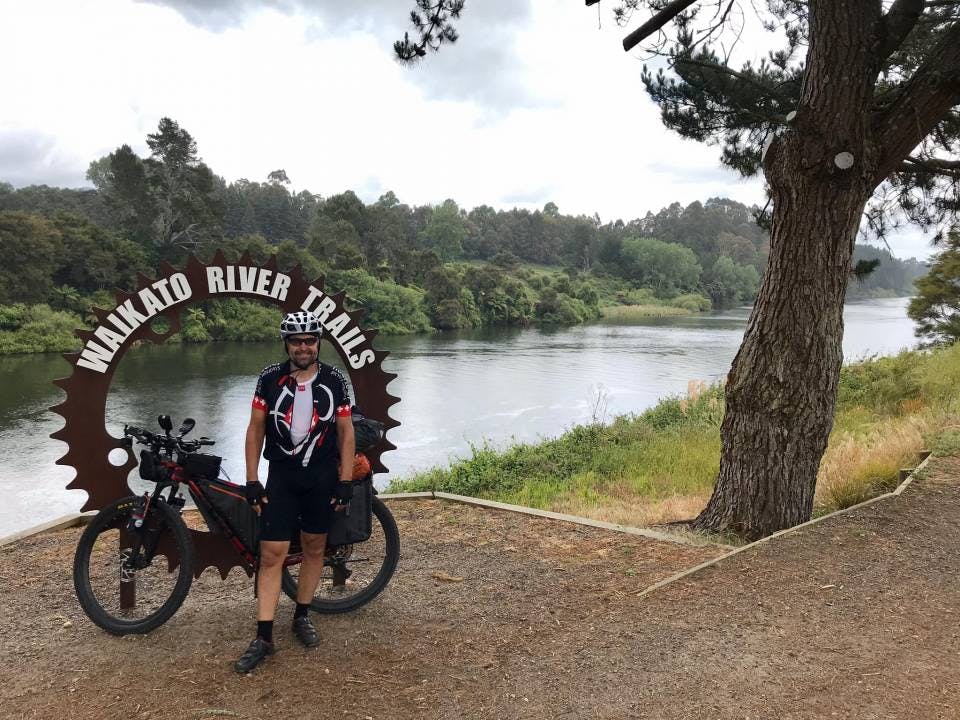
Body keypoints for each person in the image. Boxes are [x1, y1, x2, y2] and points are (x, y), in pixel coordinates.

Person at [235, 310, 356, 673]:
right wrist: (252, 479)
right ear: (286, 344)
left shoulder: (335, 380)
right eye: (296, 341)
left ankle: (302, 614)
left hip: (321, 476)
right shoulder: (269, 379)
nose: (303, 347)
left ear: (318, 343)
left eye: (309, 341)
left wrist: (345, 481)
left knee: (315, 546)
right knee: (271, 553)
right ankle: (263, 636)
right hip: (282, 476)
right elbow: (256, 429)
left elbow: (346, 432)